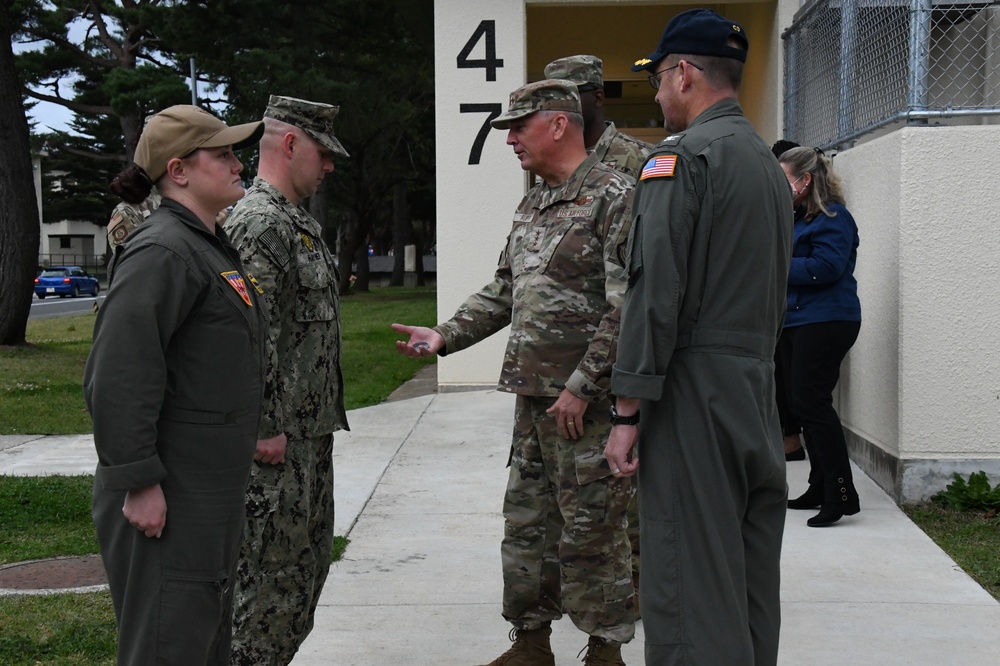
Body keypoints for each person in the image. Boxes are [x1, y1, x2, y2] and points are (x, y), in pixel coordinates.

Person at [392, 79, 635, 665]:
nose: (509, 141)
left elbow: (629, 306)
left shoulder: (616, 195)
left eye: (518, 128)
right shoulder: (533, 203)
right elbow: (506, 290)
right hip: (534, 402)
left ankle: (605, 651)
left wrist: (583, 385)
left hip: (589, 406)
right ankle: (531, 643)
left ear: (558, 124)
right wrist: (446, 333)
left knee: (594, 532)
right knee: (529, 527)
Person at [604, 9, 793, 665]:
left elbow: (655, 292)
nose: (657, 95)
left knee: (685, 585)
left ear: (683, 73)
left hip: (694, 397)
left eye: (658, 79)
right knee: (745, 586)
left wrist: (626, 409)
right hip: (756, 393)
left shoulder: (681, 161)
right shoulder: (768, 166)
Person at [84, 105, 266, 665]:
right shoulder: (163, 251)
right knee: (167, 645)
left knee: (199, 642)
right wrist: (137, 480)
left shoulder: (206, 244)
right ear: (179, 170)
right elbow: (118, 375)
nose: (240, 164)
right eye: (225, 154)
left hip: (205, 488)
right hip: (171, 491)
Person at [223, 95, 350, 666]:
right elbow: (247, 338)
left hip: (304, 440)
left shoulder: (294, 222)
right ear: (291, 143)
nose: (328, 167)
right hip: (273, 448)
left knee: (299, 581)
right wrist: (264, 427)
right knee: (267, 592)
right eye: (323, 154)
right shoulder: (258, 223)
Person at [545, 52, 652, 614]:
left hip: (620, 359)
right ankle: (594, 591)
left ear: (597, 97)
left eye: (575, 92)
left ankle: (632, 589)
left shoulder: (638, 162)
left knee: (623, 487)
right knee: (573, 494)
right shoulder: (554, 162)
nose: (564, 104)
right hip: (568, 359)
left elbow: (645, 275)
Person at [777, 146, 862, 527]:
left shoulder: (833, 217)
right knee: (801, 404)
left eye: (785, 179)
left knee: (812, 404)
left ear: (805, 180)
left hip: (827, 321)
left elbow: (826, 267)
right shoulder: (797, 218)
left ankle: (841, 494)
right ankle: (818, 485)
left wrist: (775, 263)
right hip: (799, 321)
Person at [543, 55, 653, 181]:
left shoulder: (641, 157)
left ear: (598, 98)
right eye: (552, 99)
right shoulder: (552, 160)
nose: (560, 105)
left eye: (570, 96)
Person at [771, 138, 806, 462]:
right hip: (782, 309)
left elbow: (825, 266)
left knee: (791, 383)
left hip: (798, 313)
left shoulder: (813, 215)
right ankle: (786, 439)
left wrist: (776, 265)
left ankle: (791, 441)